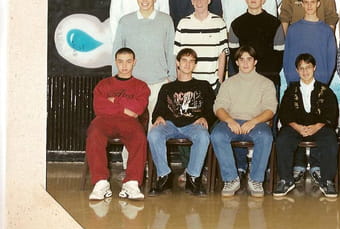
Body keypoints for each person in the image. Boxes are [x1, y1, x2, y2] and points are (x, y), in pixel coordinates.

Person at [210, 45, 277, 198]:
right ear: (237, 62)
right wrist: (229, 120)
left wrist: (253, 122)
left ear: (255, 62)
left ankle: (256, 180)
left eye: (249, 59)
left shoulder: (266, 83)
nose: (245, 63)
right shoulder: (228, 83)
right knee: (217, 135)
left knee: (266, 136)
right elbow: (218, 107)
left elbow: (270, 109)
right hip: (231, 122)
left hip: (256, 123)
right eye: (242, 59)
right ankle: (231, 179)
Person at [147, 48, 215, 196]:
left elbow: (212, 109)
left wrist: (206, 118)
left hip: (194, 124)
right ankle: (164, 176)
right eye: (184, 60)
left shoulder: (204, 85)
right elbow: (158, 110)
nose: (187, 64)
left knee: (203, 136)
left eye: (191, 61)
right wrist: (158, 117)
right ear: (177, 63)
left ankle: (193, 177)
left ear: (195, 65)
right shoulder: (167, 87)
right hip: (170, 124)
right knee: (154, 134)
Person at [86, 47, 150, 201]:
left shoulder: (141, 86)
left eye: (128, 61)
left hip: (129, 122)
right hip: (104, 120)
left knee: (139, 137)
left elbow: (137, 109)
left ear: (134, 62)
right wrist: (125, 108)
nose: (124, 65)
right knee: (94, 134)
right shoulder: (104, 84)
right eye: (120, 61)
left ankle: (132, 183)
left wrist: (115, 101)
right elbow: (99, 107)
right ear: (115, 62)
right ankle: (101, 183)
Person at [274, 54, 339, 198]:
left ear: (314, 68)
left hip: (319, 127)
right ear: (297, 70)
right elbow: (284, 113)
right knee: (283, 139)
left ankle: (327, 181)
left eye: (308, 67)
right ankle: (285, 179)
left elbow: (331, 113)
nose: (305, 71)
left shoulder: (325, 90)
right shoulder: (291, 90)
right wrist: (296, 126)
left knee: (330, 139)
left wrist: (318, 126)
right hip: (296, 127)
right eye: (301, 68)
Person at [112, 0, 175, 118]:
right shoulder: (125, 21)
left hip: (159, 82)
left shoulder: (166, 20)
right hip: (132, 83)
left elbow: (171, 50)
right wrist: (116, 79)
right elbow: (117, 50)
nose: (144, 0)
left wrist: (172, 78)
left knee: (156, 126)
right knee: (130, 125)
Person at [174, 0, 229, 92]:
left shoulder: (219, 23)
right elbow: (177, 55)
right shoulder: (183, 24)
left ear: (209, 0)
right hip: (188, 84)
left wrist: (220, 82)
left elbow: (222, 55)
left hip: (212, 84)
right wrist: (180, 81)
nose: (199, 3)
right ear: (192, 1)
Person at [229, 0, 282, 85]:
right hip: (244, 79)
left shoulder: (275, 23)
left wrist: (270, 73)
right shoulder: (236, 24)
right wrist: (243, 74)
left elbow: (280, 53)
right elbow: (233, 53)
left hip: (269, 78)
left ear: (263, 0)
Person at [282, 0, 337, 85]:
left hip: (320, 82)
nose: (309, 5)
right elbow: (287, 58)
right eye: (306, 2)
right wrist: (291, 81)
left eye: (312, 2)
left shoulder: (326, 30)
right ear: (302, 4)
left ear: (318, 4)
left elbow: (331, 59)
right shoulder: (293, 29)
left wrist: (324, 81)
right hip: (296, 82)